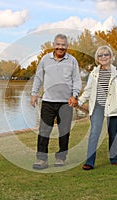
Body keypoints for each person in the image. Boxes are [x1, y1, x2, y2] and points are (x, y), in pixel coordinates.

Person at [30, 33, 82, 169]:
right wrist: (34, 93)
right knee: (44, 131)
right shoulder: (45, 60)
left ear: (67, 47)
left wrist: (75, 95)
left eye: (63, 45)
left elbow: (77, 80)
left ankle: (60, 158)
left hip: (66, 103)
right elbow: (38, 77)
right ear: (53, 45)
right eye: (58, 44)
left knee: (64, 132)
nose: (60, 47)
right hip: (48, 101)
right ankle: (42, 160)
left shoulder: (72, 61)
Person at [78, 45, 117, 170]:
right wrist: (79, 101)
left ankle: (115, 158)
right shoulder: (94, 73)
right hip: (97, 107)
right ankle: (89, 162)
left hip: (113, 108)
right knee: (94, 133)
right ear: (97, 58)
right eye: (100, 55)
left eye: (106, 54)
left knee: (113, 132)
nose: (103, 57)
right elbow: (88, 90)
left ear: (111, 57)